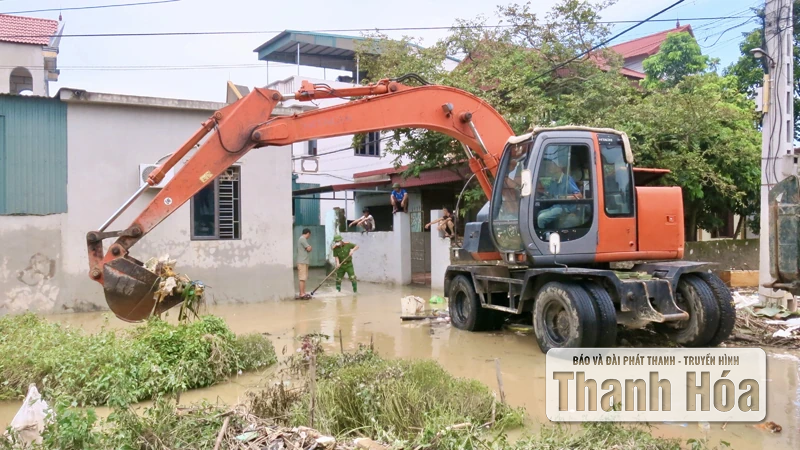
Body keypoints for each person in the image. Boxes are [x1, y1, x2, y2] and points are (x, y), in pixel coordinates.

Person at [535, 159, 583, 229]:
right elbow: (548, 193)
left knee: (541, 218)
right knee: (539, 213)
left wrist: (563, 197)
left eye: (551, 165)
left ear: (559, 167)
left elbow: (579, 196)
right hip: (556, 206)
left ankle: (543, 236)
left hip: (565, 208)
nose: (549, 168)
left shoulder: (567, 179)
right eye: (548, 166)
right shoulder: (553, 181)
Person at [296, 228, 312, 299]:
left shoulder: (301, 239)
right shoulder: (302, 239)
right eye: (309, 235)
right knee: (302, 278)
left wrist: (309, 248)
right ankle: (301, 294)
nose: (309, 237)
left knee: (303, 278)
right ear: (308, 233)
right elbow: (309, 248)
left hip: (304, 261)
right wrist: (310, 247)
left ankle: (303, 292)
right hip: (302, 261)